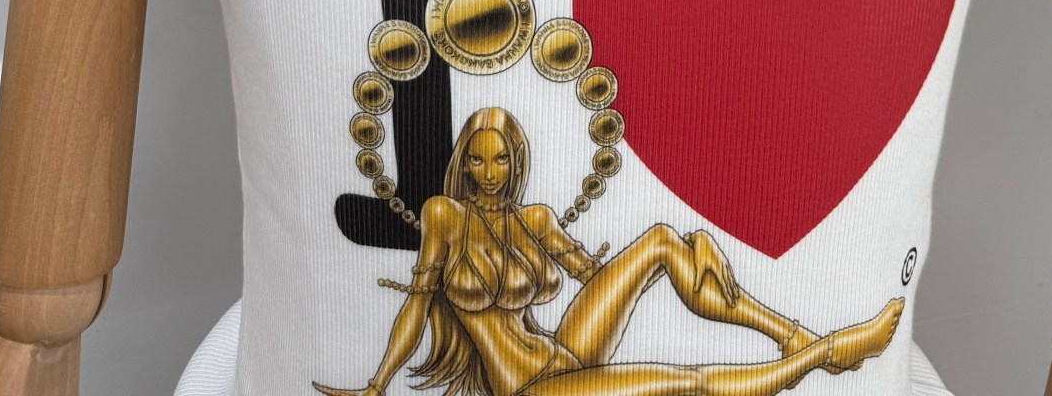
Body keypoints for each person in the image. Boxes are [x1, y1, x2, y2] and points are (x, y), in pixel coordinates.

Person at [311, 109, 903, 396]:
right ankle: (828, 351)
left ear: (517, 161)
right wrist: (377, 385)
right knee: (690, 381)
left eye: (502, 159)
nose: (490, 172)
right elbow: (417, 305)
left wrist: (689, 248)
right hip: (530, 389)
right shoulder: (445, 216)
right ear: (463, 162)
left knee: (662, 240)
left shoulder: (535, 220)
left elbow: (596, 275)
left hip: (565, 351)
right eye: (478, 159)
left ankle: (791, 335)